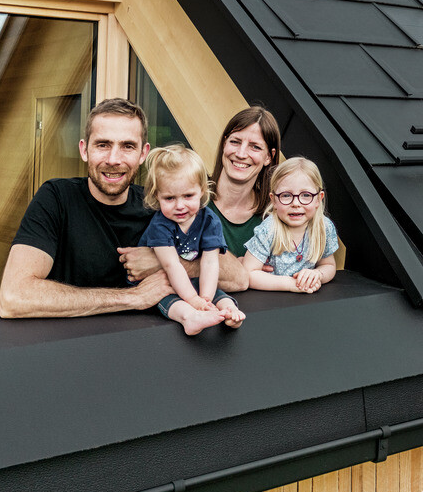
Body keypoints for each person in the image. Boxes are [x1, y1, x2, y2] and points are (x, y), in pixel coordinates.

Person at [0, 98, 247, 319]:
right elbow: (14, 297)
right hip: (69, 349)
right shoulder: (56, 198)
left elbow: (238, 277)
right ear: (84, 150)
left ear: (142, 153)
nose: (114, 159)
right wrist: (133, 297)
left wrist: (166, 262)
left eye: (127, 146)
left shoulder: (162, 205)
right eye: (103, 145)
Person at [119, 105, 280, 286]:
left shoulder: (276, 214)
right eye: (235, 142)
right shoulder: (184, 199)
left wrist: (160, 263)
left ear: (269, 156)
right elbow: (140, 264)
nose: (241, 154)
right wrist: (236, 268)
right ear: (224, 143)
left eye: (255, 147)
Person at [135, 145, 245, 335]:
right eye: (169, 198)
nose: (180, 206)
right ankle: (189, 318)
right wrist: (193, 302)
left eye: (188, 196)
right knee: (170, 300)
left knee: (220, 295)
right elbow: (172, 266)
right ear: (157, 197)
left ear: (201, 191)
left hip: (191, 280)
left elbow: (210, 262)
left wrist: (205, 299)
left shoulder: (209, 220)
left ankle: (230, 313)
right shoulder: (160, 225)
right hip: (161, 280)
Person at [243, 157, 338, 293]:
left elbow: (328, 264)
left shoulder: (323, 227)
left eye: (306, 195)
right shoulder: (268, 230)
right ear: (274, 200)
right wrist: (290, 284)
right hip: (269, 300)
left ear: (319, 199)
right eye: (286, 195)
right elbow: (249, 273)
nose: (296, 203)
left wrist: (318, 275)